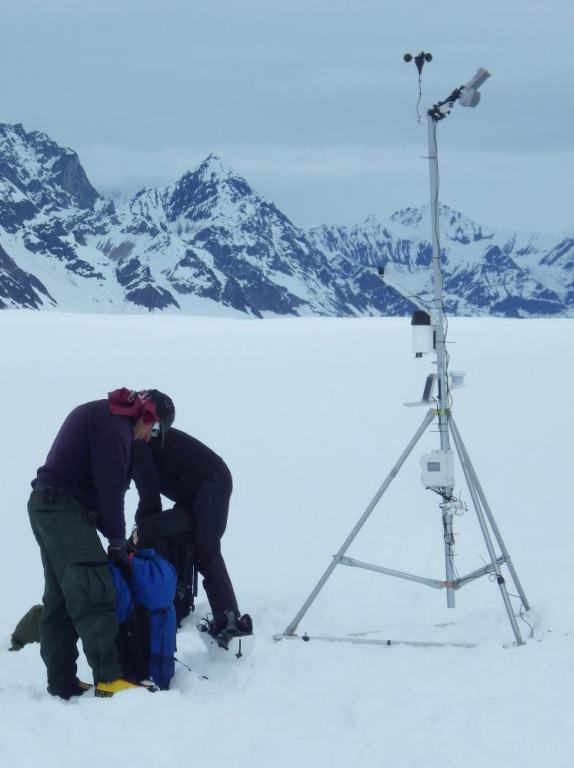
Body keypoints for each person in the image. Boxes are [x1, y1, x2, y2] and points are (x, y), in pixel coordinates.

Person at [28, 387, 175, 699]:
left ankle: (62, 681)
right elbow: (109, 491)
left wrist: (117, 539)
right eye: (156, 428)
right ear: (148, 414)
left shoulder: (110, 418)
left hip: (49, 505)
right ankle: (109, 677)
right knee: (93, 584)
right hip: (61, 506)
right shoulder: (114, 427)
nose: (150, 436)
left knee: (60, 598)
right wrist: (118, 543)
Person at [131, 428, 252, 649]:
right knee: (169, 535)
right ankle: (177, 603)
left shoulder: (136, 442)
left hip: (211, 482)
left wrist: (140, 531)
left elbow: (149, 493)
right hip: (193, 495)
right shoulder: (131, 442)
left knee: (207, 550)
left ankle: (231, 620)